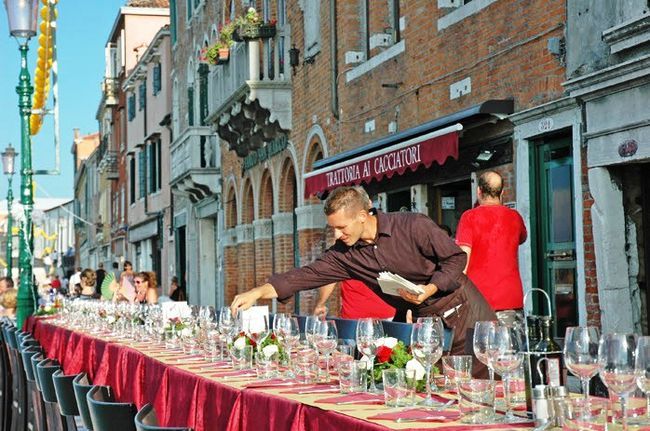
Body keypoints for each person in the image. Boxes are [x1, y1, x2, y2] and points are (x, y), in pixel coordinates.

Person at [231, 186, 496, 377]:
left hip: (466, 312)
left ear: (362, 216)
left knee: (483, 386)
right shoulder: (345, 255)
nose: (337, 235)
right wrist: (257, 292)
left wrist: (430, 288)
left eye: (341, 227)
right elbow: (305, 275)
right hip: (425, 324)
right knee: (436, 388)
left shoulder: (413, 225)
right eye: (333, 228)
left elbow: (455, 258)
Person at [455, 170, 527, 322]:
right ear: (502, 192)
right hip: (511, 298)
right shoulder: (515, 217)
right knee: (512, 338)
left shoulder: (469, 217)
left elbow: (463, 261)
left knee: (480, 339)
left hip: (478, 300)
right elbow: (522, 238)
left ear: (479, 191)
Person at [313, 279, 396, 319]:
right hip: (389, 317)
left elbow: (330, 278)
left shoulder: (343, 253)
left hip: (353, 321)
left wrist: (320, 305)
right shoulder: (388, 252)